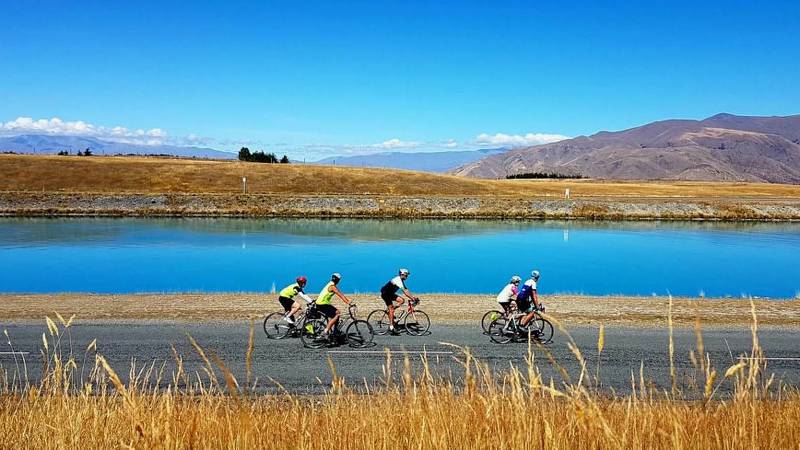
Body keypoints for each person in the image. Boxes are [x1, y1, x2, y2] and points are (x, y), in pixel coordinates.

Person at [380, 268, 417, 335]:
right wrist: (413, 299)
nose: (407, 277)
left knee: (402, 300)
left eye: (407, 275)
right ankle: (391, 327)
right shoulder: (398, 280)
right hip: (385, 294)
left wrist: (413, 297)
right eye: (406, 275)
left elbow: (406, 290)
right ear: (402, 274)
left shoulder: (401, 280)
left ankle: (391, 311)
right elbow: (405, 292)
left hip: (390, 294)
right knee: (391, 309)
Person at [316, 272, 353, 339]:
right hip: (322, 304)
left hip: (321, 303)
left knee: (337, 313)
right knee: (337, 314)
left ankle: (335, 331)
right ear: (338, 280)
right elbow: (340, 294)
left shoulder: (330, 284)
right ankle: (325, 331)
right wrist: (348, 302)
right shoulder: (332, 287)